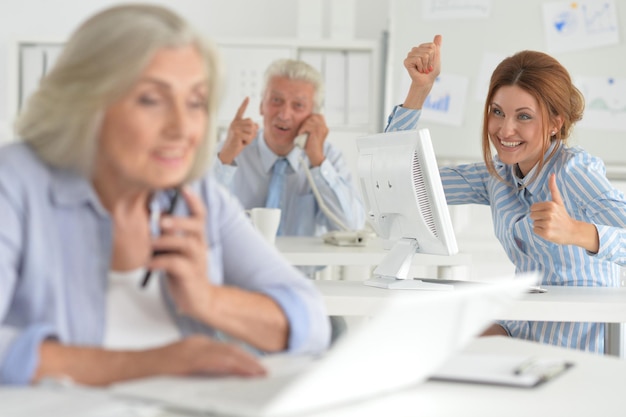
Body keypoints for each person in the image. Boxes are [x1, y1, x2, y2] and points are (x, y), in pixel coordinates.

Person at [0, 4, 330, 386]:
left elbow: (311, 321)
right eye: (151, 100)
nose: (182, 128)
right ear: (86, 102)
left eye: (195, 102)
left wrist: (207, 299)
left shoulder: (198, 195)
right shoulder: (16, 183)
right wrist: (151, 363)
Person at [387, 35, 626, 353]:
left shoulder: (574, 172)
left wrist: (578, 232)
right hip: (524, 324)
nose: (505, 129)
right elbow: (396, 178)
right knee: (428, 354)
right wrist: (420, 90)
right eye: (497, 112)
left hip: (579, 342)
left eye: (524, 116)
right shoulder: (497, 174)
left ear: (555, 123)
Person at [212, 59, 365, 238]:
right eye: (276, 101)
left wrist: (317, 161)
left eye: (298, 105)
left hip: (299, 267)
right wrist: (224, 160)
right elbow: (195, 218)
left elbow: (353, 227)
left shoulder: (328, 157)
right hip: (240, 266)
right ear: (262, 105)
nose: (284, 115)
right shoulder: (231, 151)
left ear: (314, 115)